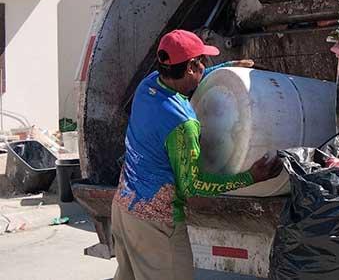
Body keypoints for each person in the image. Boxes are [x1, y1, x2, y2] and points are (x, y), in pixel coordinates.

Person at [111, 29, 283, 280]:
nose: (205, 65)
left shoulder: (148, 85)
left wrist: (225, 68)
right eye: (202, 61)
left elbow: (186, 79)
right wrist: (250, 178)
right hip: (156, 224)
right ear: (191, 66)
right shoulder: (182, 124)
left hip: (124, 208)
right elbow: (194, 185)